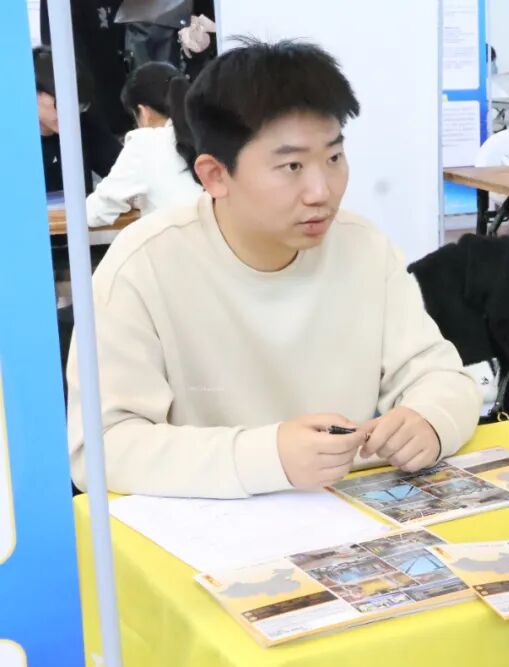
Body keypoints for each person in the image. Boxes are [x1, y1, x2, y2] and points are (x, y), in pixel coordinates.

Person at [66, 39, 482, 498]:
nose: (321, 191)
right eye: (292, 166)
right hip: (208, 526)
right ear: (215, 175)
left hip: (348, 514)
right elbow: (100, 449)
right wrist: (268, 457)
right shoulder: (142, 266)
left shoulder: (364, 248)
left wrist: (429, 420)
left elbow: (443, 377)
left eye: (334, 158)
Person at [85, 62, 203, 227]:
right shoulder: (211, 130)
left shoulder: (146, 143)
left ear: (144, 111)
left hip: (180, 240)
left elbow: (94, 212)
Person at [34, 47, 121, 194]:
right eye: (61, 105)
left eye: (79, 105)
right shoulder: (12, 140)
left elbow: (123, 172)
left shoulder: (84, 122)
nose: (71, 115)